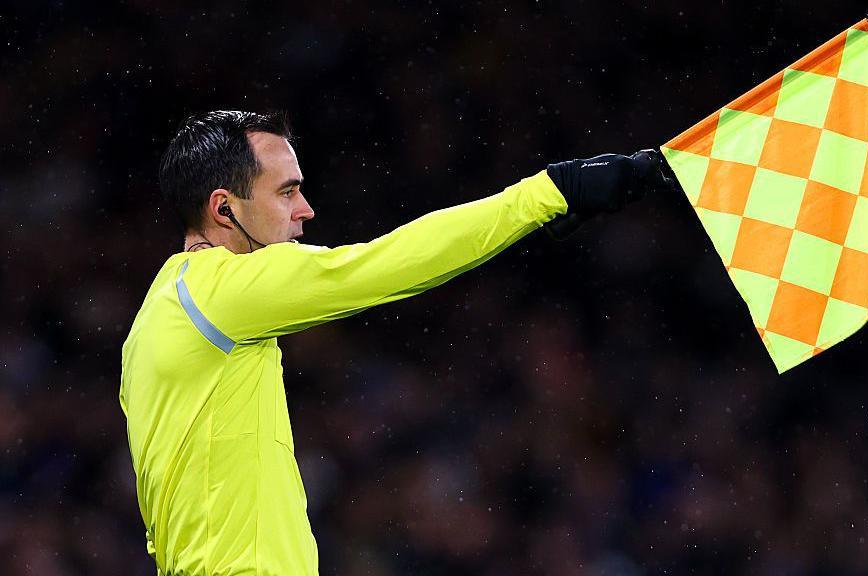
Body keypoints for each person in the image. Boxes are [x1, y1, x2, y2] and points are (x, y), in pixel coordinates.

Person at [119, 110, 679, 575]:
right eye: (287, 192)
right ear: (223, 208)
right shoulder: (220, 291)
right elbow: (388, 263)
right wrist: (548, 194)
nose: (306, 210)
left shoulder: (155, 319)